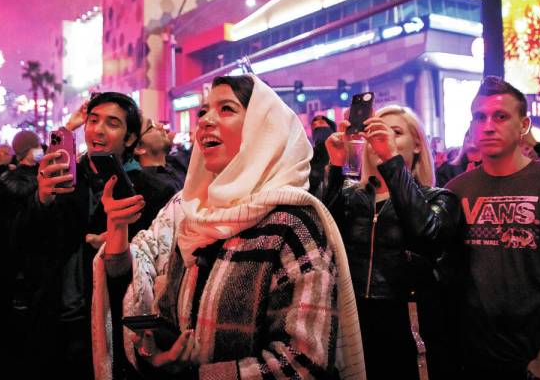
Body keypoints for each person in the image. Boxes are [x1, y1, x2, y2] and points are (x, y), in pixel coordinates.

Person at [91, 75, 365, 380]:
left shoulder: (292, 224)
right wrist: (161, 354)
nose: (206, 120)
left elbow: (302, 362)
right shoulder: (192, 212)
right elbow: (167, 311)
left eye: (226, 109)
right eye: (205, 110)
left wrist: (195, 376)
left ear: (261, 130)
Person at [17, 93, 175, 380]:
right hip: (55, 319)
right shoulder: (63, 178)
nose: (98, 130)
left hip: (113, 322)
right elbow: (25, 241)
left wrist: (120, 245)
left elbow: (160, 264)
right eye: (93, 121)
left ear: (129, 139)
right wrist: (42, 198)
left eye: (112, 123)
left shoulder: (152, 191)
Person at [446, 76, 540, 380]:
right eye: (479, 117)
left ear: (523, 124)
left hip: (536, 356)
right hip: (473, 355)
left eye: (500, 116)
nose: (488, 125)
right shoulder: (455, 190)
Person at [323, 105, 462, 379]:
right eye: (373, 131)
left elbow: (426, 235)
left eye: (394, 132)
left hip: (408, 328)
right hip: (351, 325)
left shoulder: (440, 199)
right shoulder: (351, 196)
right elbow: (321, 232)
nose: (381, 138)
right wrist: (336, 165)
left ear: (418, 145)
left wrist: (392, 160)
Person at [134, 117, 184, 192]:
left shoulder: (175, 163)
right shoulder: (148, 185)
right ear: (139, 148)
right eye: (151, 126)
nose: (161, 125)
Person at [309, 114, 337, 197]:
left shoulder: (343, 152)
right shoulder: (310, 155)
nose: (317, 125)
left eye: (321, 123)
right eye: (314, 125)